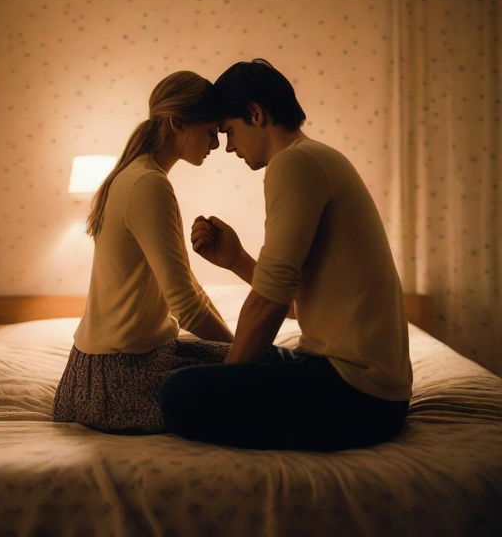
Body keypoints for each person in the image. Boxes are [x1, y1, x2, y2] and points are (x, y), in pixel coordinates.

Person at [159, 59, 413, 451]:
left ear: (255, 113)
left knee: (180, 392)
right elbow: (296, 304)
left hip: (358, 394)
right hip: (354, 380)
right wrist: (237, 259)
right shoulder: (316, 157)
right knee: (196, 353)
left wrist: (228, 385)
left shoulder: (294, 163)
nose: (228, 146)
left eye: (229, 130)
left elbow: (270, 302)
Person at [53, 71, 234, 434]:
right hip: (117, 381)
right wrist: (244, 355)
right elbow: (186, 305)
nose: (215, 144)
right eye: (211, 131)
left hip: (97, 374)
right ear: (177, 123)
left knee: (264, 363)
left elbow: (188, 287)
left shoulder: (136, 176)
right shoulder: (148, 184)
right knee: (269, 379)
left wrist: (237, 348)